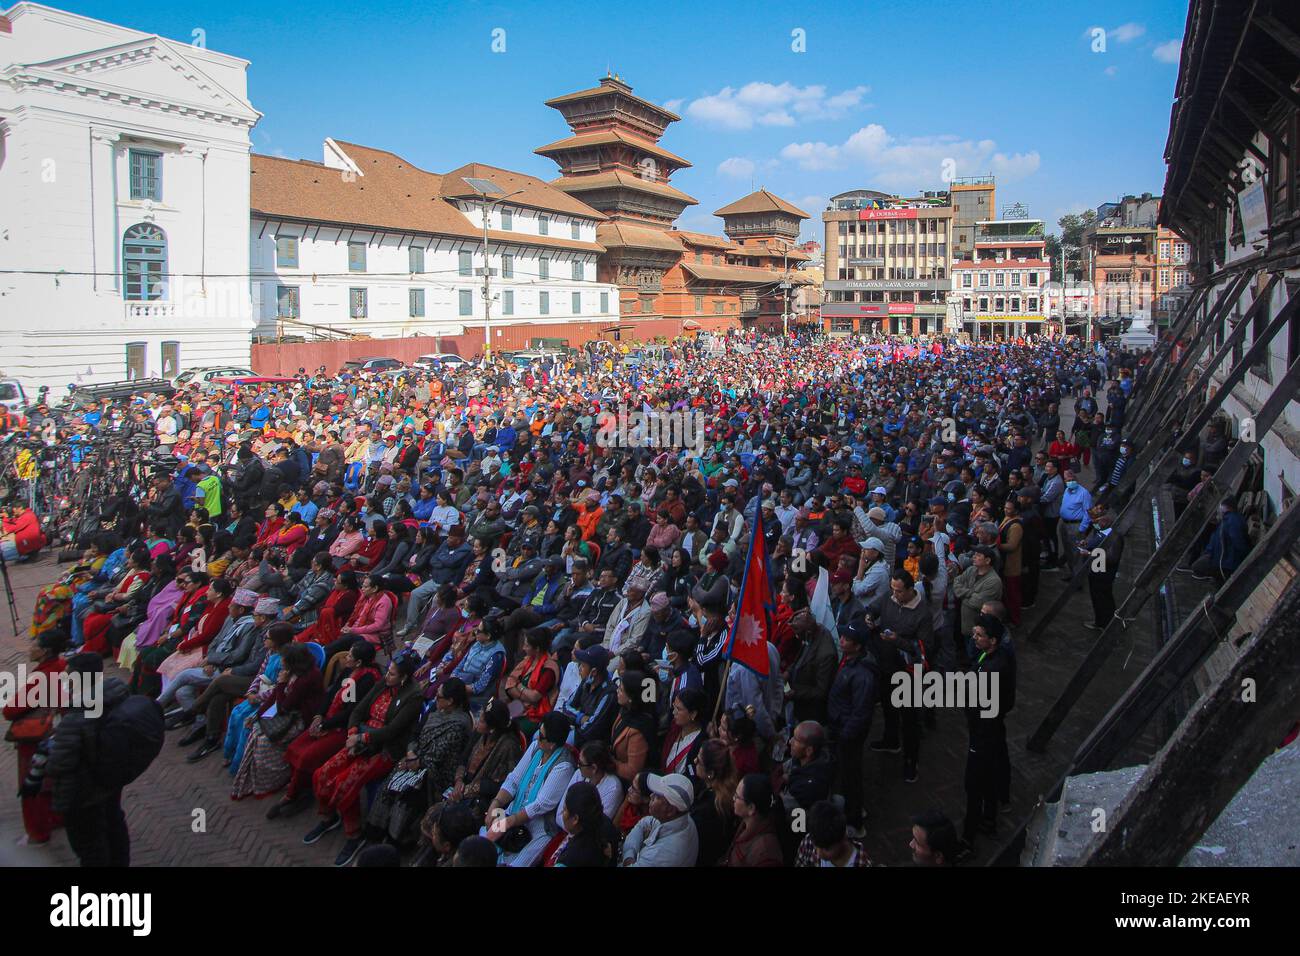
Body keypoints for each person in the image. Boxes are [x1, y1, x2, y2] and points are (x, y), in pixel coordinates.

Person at [305, 651, 423, 867]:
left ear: (404, 677)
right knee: (321, 774)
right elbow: (358, 709)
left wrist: (362, 737)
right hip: (357, 740)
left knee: (344, 784)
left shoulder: (412, 696)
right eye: (388, 672)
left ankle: (354, 835)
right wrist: (351, 734)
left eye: (393, 674)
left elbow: (393, 730)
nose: (388, 676)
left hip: (383, 748)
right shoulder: (378, 682)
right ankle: (329, 817)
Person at [269, 638, 382, 820]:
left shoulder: (367, 679)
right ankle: (299, 785)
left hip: (342, 728)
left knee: (308, 756)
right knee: (295, 746)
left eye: (350, 656)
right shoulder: (348, 672)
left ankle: (293, 794)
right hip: (328, 719)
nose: (346, 659)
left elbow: (350, 711)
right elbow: (331, 693)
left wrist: (325, 724)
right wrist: (319, 715)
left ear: (359, 662)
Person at [44, 654, 136, 866]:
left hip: (83, 786)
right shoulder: (116, 696)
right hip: (112, 775)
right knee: (114, 823)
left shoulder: (76, 715)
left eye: (68, 674)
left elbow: (60, 762)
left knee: (89, 843)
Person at [366, 677, 473, 847]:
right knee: (387, 788)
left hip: (435, 774)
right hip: (415, 758)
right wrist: (410, 753)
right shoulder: (435, 710)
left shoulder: (459, 725)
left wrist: (413, 762)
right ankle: (375, 832)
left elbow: (437, 756)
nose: (435, 699)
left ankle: (395, 841)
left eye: (439, 697)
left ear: (450, 701)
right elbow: (416, 733)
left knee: (405, 797)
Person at [231, 642, 324, 799]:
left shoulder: (306, 679)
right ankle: (250, 778)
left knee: (264, 741)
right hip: (287, 713)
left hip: (299, 718)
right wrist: (257, 715)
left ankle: (271, 782)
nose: (281, 661)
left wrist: (281, 684)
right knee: (254, 730)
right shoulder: (292, 672)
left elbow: (283, 707)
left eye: (284, 658)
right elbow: (274, 697)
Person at [483, 710, 575, 867]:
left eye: (541, 735)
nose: (537, 737)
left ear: (552, 744)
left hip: (538, 826)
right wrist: (495, 805)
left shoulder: (564, 766)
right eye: (539, 731)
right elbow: (513, 780)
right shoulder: (535, 747)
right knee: (483, 847)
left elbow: (540, 805)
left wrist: (507, 823)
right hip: (513, 811)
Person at [5, 630, 68, 845]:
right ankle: (56, 818)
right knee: (52, 782)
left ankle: (37, 832)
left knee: (34, 786)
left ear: (44, 651)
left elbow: (10, 710)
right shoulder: (62, 666)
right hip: (60, 734)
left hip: (37, 737)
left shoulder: (42, 677)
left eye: (35, 644)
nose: (31, 647)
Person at [962, 614, 1015, 843]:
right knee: (988, 776)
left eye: (979, 635)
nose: (974, 638)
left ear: (993, 640)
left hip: (984, 731)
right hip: (990, 727)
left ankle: (970, 835)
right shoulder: (995, 656)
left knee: (974, 783)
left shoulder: (994, 669)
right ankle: (989, 817)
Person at [826, 621, 879, 836]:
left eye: (846, 640)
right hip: (842, 726)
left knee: (851, 774)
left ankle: (854, 820)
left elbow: (861, 711)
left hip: (848, 732)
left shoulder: (863, 675)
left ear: (857, 646)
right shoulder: (850, 662)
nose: (841, 641)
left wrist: (846, 733)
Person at [620, 772, 699, 867]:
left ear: (670, 810)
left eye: (657, 796)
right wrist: (632, 852)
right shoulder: (679, 817)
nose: (651, 796)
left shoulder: (664, 854)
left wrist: (628, 857)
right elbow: (643, 823)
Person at [725, 773, 784, 867]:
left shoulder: (766, 853)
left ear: (751, 808)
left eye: (737, 797)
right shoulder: (745, 823)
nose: (733, 799)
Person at [794, 799, 873, 867]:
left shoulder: (862, 864)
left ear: (843, 838)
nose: (818, 853)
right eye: (816, 845)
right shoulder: (808, 842)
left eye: (826, 848)